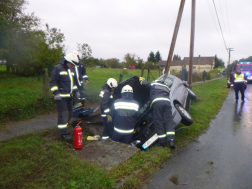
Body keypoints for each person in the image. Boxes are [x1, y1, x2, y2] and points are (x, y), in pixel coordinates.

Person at [50, 53, 80, 142]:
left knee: (70, 114)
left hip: (69, 97)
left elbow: (73, 84)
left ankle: (64, 128)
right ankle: (63, 134)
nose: (73, 66)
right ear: (67, 61)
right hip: (61, 98)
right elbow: (53, 82)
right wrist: (56, 93)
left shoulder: (71, 70)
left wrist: (76, 91)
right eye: (72, 64)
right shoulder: (57, 68)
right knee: (63, 115)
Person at [139, 77, 176, 148]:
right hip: (167, 102)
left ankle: (163, 142)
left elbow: (143, 83)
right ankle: (171, 140)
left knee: (159, 121)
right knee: (169, 121)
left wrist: (141, 79)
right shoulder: (166, 87)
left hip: (157, 103)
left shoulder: (153, 84)